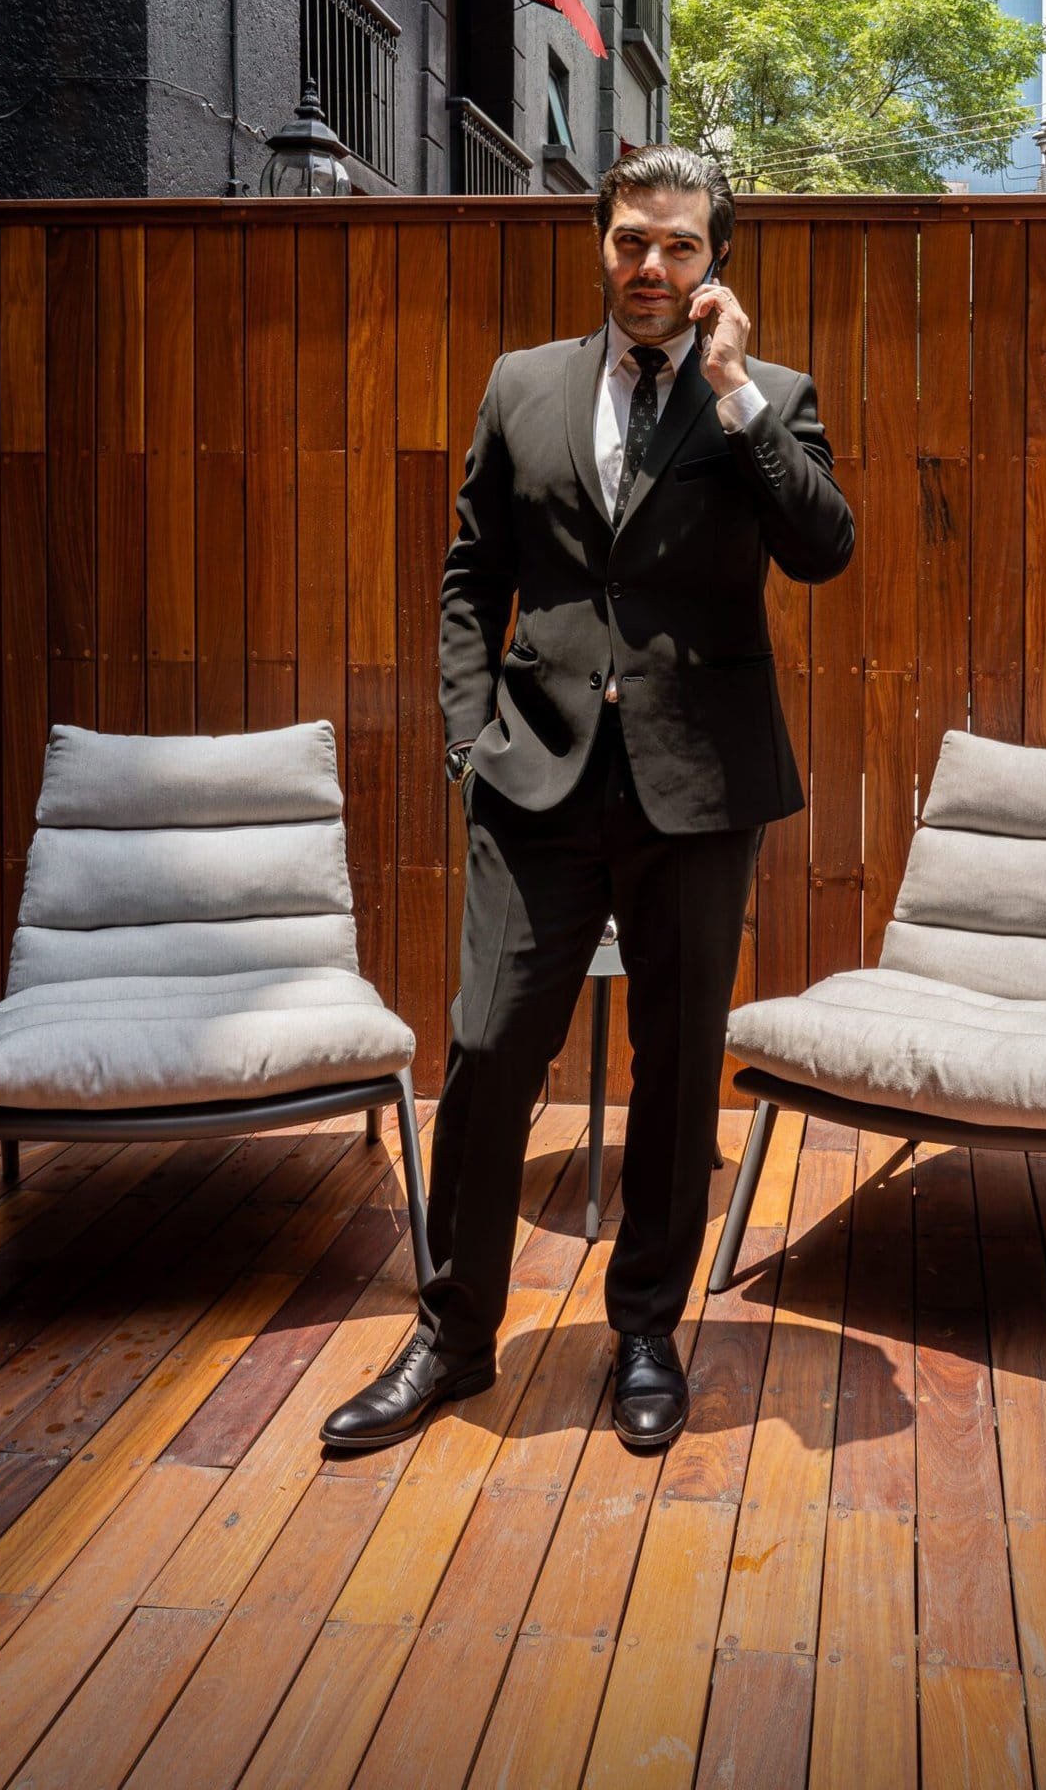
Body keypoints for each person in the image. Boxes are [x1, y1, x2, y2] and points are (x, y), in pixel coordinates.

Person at [321, 146, 855, 1455]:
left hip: (699, 786)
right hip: (535, 776)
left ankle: (648, 1332)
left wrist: (734, 388)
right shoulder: (523, 385)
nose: (650, 266)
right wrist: (469, 740)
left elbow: (822, 547)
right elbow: (472, 575)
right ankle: (454, 1333)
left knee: (675, 1063)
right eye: (630, 241)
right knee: (492, 1044)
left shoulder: (768, 396)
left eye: (678, 245)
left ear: (716, 261)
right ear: (601, 242)